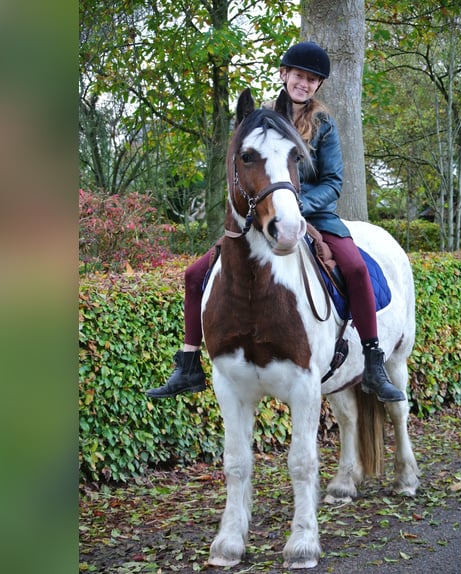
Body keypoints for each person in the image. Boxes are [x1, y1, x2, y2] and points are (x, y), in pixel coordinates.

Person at [146, 41, 405, 402]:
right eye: (299, 75)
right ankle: (188, 363)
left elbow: (333, 182)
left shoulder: (324, 124)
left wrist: (296, 204)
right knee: (193, 275)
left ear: (318, 86)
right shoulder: (263, 119)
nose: (305, 83)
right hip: (263, 215)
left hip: (313, 214)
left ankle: (374, 360)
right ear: (284, 75)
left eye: (313, 80)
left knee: (357, 270)